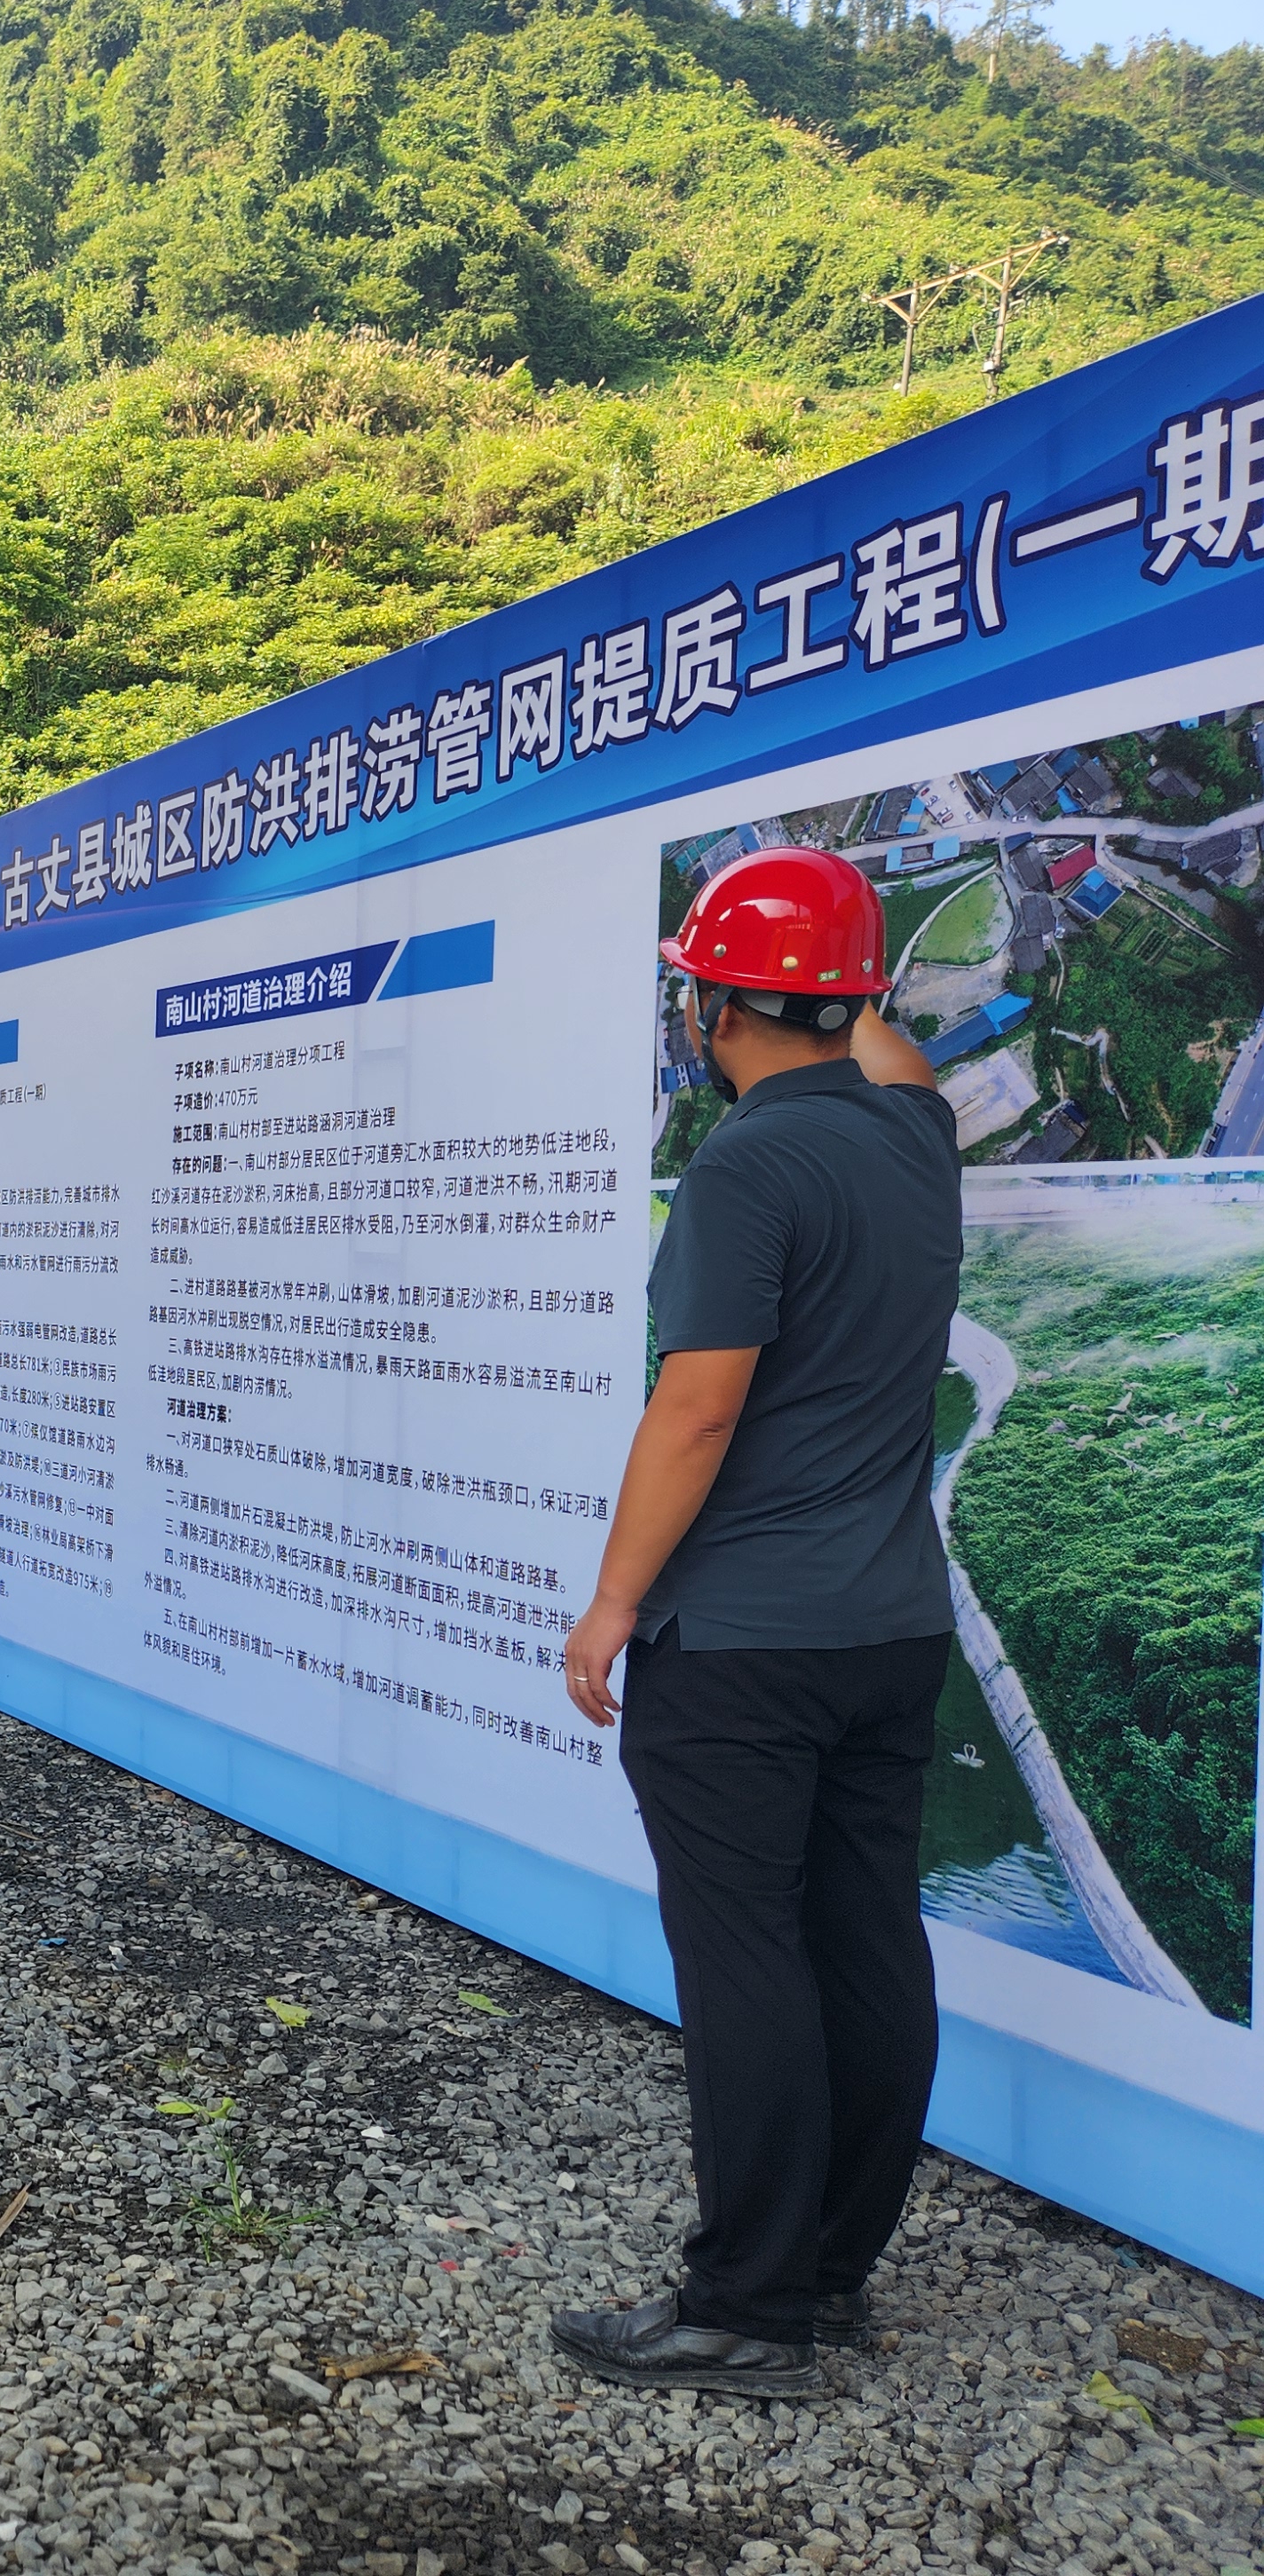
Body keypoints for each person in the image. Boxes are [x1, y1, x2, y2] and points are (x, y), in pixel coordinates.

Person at [552, 846, 961, 2401]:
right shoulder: (915, 1139)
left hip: (742, 1647)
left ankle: (748, 2306)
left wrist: (613, 1602)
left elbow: (699, 1407)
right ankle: (832, 2274)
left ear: (714, 1010)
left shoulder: (745, 1166)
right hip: (891, 1632)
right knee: (867, 1940)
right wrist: (844, 981)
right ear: (855, 1001)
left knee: (746, 1961)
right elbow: (888, 1052)